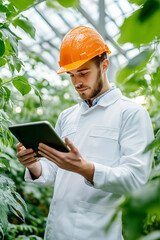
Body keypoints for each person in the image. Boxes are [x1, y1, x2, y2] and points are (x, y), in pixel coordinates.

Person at [16, 26, 154, 240]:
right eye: (71, 75)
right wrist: (33, 165)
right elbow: (54, 171)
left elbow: (137, 180)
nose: (77, 83)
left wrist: (86, 169)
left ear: (104, 65)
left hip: (97, 233)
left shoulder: (131, 113)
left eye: (83, 73)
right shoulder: (67, 116)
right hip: (56, 231)